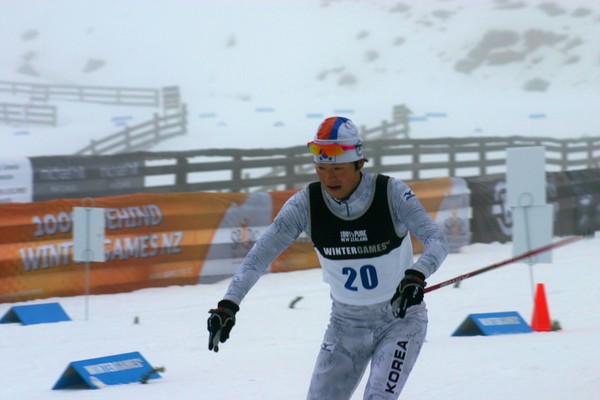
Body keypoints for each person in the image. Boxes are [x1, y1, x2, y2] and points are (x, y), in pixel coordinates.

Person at [207, 116, 449, 399]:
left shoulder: (391, 193)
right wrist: (229, 304)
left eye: (338, 168)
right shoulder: (305, 204)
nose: (328, 178)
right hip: (345, 326)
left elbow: (437, 240)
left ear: (359, 163)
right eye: (321, 168)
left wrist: (417, 274)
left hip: (399, 320)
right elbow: (259, 257)